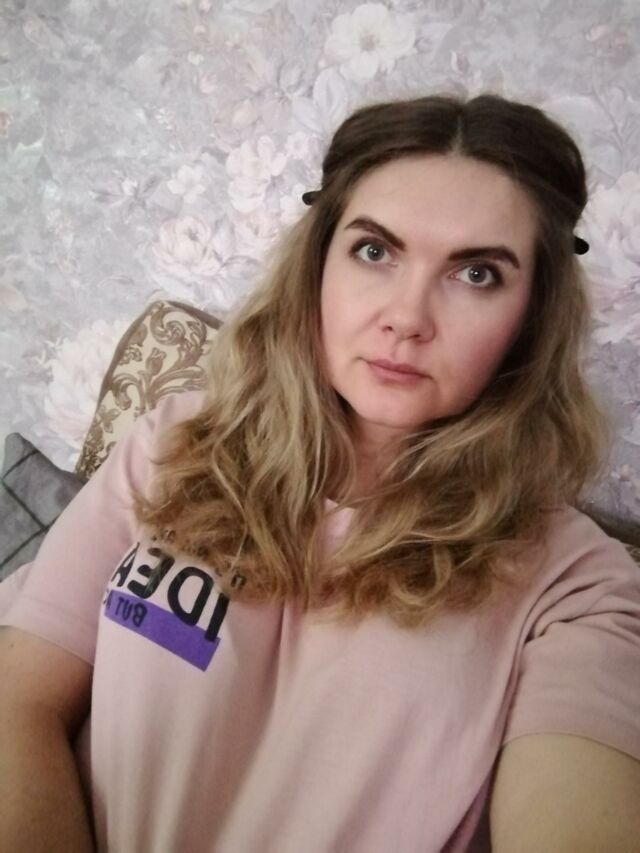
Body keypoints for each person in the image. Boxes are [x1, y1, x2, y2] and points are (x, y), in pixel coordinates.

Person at [1, 92, 639, 853]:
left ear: (532, 317)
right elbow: (19, 702)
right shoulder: (174, 442)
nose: (407, 317)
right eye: (375, 251)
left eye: (476, 273)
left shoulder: (576, 589)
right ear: (318, 266)